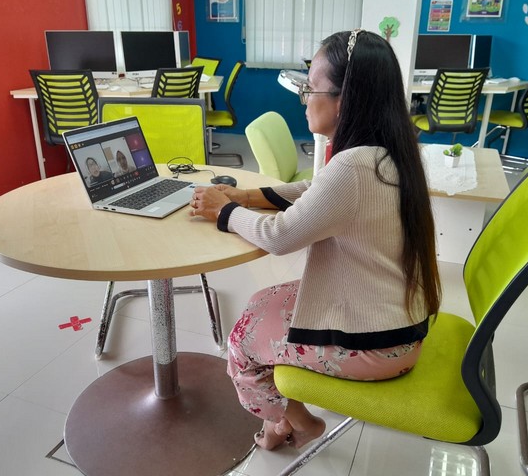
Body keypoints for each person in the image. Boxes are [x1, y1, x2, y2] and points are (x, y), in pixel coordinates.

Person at [189, 30, 441, 451]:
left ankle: (293, 423)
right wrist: (246, 197)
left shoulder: (354, 167)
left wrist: (223, 210)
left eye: (311, 89)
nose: (304, 100)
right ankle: (291, 412)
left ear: (345, 99)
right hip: (397, 319)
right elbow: (316, 190)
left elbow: (280, 235)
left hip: (377, 344)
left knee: (241, 342)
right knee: (260, 302)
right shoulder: (386, 150)